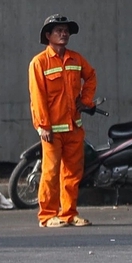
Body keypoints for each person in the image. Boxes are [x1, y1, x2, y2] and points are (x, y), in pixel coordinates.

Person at [27, 14, 96, 228]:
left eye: (66, 30)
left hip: (74, 127)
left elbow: (91, 76)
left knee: (72, 173)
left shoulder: (76, 59)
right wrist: (43, 126)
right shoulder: (39, 63)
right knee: (50, 173)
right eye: (59, 30)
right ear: (48, 36)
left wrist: (85, 101)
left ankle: (68, 214)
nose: (64, 33)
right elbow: (37, 97)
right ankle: (47, 216)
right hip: (52, 130)